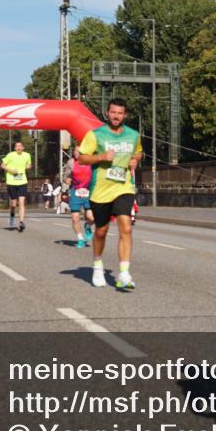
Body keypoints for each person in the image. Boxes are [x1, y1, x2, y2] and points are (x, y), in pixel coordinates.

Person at [77, 98, 143, 289]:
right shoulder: (95, 135)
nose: (116, 116)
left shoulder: (133, 135)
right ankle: (98, 265)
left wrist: (136, 160)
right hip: (101, 190)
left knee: (126, 227)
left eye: (120, 113)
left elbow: (138, 152)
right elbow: (82, 158)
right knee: (101, 231)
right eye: (113, 112)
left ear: (125, 115)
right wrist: (101, 157)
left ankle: (124, 273)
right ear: (107, 113)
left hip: (124, 187)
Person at [1, 141, 32, 232]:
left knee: (21, 202)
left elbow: (29, 164)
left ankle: (21, 222)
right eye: (17, 146)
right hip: (11, 182)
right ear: (14, 148)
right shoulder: (10, 155)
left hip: (22, 182)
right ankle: (12, 216)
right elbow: (2, 165)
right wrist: (10, 169)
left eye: (20, 146)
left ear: (23, 148)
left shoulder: (27, 155)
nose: (18, 147)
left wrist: (28, 166)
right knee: (13, 204)